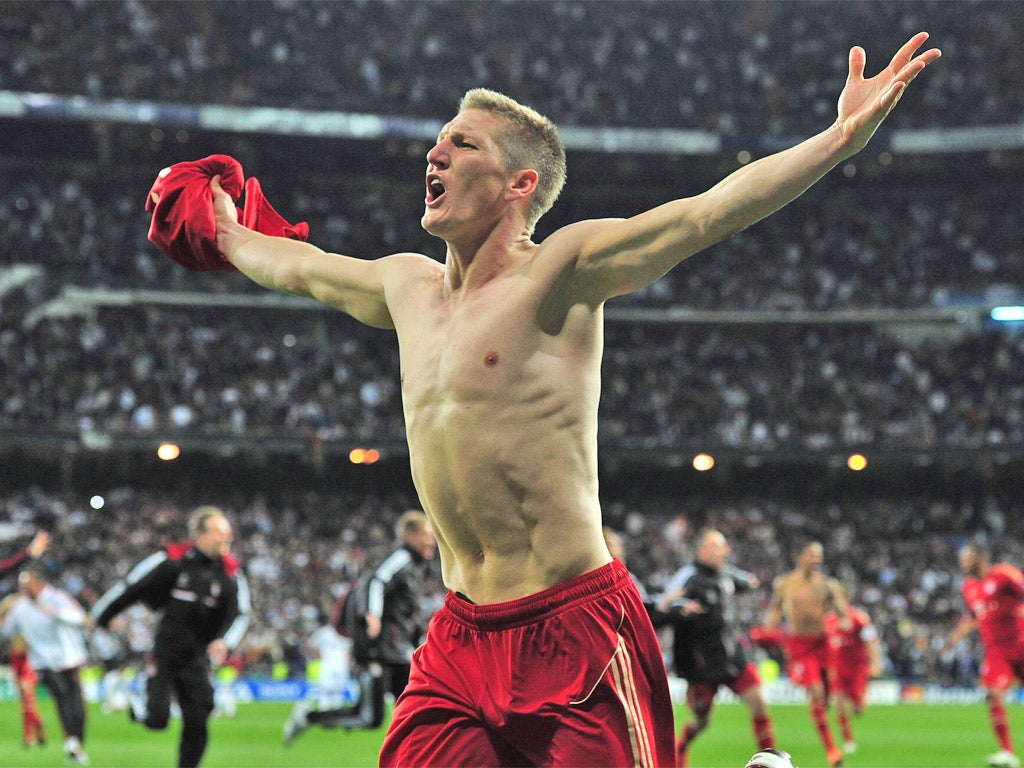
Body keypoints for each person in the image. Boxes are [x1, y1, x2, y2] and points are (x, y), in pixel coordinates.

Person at [189, 32, 939, 767]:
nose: (434, 153)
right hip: (459, 636)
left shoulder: (562, 270)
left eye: (462, 144)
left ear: (520, 184)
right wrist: (223, 231)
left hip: (574, 625)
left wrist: (838, 138)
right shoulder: (405, 285)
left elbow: (704, 214)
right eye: (438, 142)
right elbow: (303, 268)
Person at [90, 505, 250, 768]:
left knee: (199, 719)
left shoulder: (231, 575)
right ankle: (141, 701)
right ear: (199, 534)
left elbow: (240, 614)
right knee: (157, 720)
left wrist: (225, 641)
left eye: (228, 533)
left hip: (197, 659)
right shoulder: (172, 563)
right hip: (164, 653)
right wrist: (100, 618)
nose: (226, 538)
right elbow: (132, 588)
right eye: (220, 532)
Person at [283, 509, 436, 745]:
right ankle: (309, 716)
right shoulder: (401, 558)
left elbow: (403, 612)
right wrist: (372, 614)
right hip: (377, 647)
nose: (432, 540)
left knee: (415, 710)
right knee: (371, 717)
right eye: (426, 534)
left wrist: (416, 638)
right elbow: (375, 580)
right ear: (410, 535)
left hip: (398, 650)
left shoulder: (415, 566)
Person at [660, 528, 775, 768]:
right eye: (719, 546)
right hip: (702, 664)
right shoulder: (689, 576)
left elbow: (746, 581)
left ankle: (769, 763)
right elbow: (668, 601)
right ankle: (680, 748)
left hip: (733, 657)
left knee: (758, 703)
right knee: (701, 721)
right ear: (703, 550)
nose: (726, 551)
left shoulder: (725, 574)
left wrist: (751, 582)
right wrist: (682, 606)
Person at [764, 541, 847, 767]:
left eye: (819, 556)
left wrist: (842, 621)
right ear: (800, 557)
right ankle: (832, 750)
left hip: (822, 645)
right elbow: (774, 611)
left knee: (825, 695)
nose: (816, 560)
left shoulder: (827, 585)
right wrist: (768, 633)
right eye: (811, 555)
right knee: (817, 693)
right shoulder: (785, 584)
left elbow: (842, 611)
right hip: (799, 647)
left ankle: (823, 719)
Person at [941, 541, 1024, 768]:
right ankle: (1007, 752)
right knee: (994, 693)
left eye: (967, 559)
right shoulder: (968, 587)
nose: (963, 564)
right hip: (997, 651)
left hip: (1021, 643)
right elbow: (974, 616)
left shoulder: (1005, 575)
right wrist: (954, 638)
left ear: (980, 558)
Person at [0, 567, 91, 765]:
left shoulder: (56, 598)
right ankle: (71, 740)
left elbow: (80, 618)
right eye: (23, 586)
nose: (24, 589)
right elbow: (5, 631)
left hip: (69, 660)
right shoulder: (19, 608)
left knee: (78, 707)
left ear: (38, 583)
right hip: (44, 663)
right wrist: (3, 612)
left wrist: (54, 613)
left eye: (28, 585)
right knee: (62, 696)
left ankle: (75, 742)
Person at [824, 585, 883, 756]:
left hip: (858, 669)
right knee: (840, 705)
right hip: (838, 670)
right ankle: (848, 740)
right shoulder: (828, 621)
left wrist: (876, 663)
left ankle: (859, 703)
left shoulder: (859, 619)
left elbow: (871, 641)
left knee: (859, 708)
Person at [0, 596, 48, 749]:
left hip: (28, 659)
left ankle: (33, 732)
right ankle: (31, 732)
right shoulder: (15, 609)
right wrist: (10, 602)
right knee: (24, 701)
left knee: (28, 700)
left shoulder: (32, 610)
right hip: (16, 658)